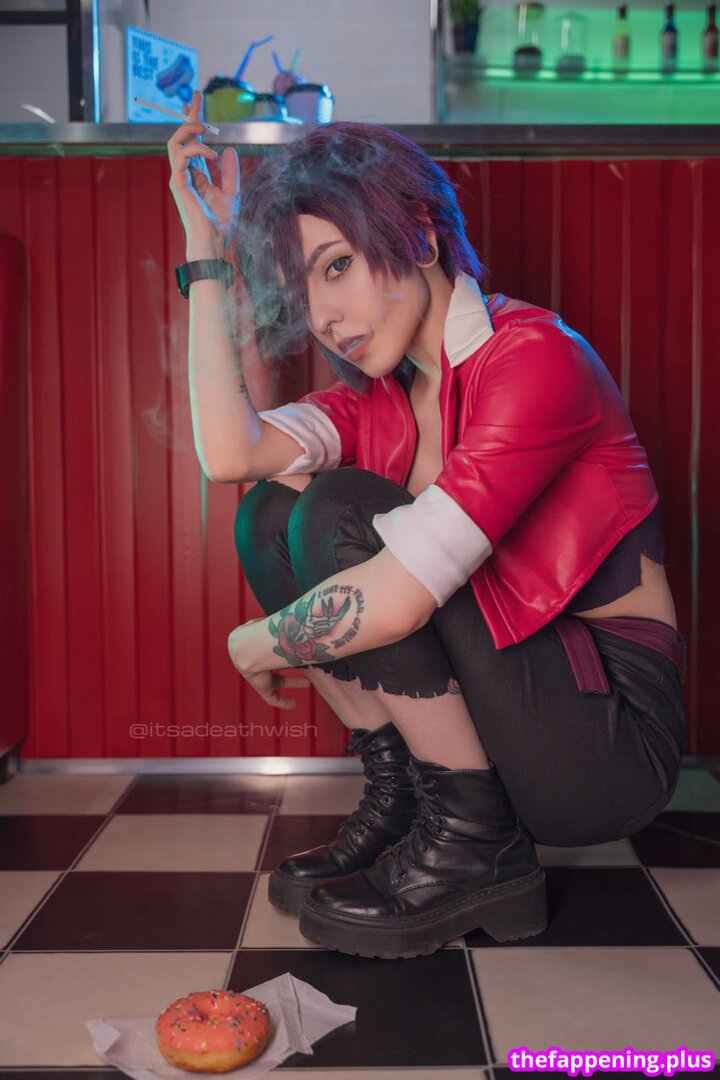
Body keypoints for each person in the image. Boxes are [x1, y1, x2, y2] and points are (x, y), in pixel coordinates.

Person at [167, 91, 686, 960]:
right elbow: (231, 454)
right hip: (519, 700)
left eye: (336, 266)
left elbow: (403, 598)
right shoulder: (378, 403)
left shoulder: (536, 358)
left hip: (606, 733)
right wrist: (206, 252)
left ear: (417, 235)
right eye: (303, 288)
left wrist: (258, 640)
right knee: (272, 513)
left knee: (339, 510)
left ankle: (475, 840)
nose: (324, 317)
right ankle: (415, 803)